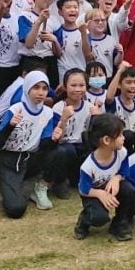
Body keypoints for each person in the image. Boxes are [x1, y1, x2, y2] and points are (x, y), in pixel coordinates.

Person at [0, 70, 64, 218]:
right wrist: (10, 125)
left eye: (44, 88)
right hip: (8, 161)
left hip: (29, 159)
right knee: (16, 209)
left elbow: (45, 146)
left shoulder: (48, 113)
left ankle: (37, 187)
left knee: (59, 152)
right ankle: (6, 179)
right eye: (36, 88)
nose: (41, 93)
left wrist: (53, 140)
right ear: (27, 88)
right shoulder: (15, 109)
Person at [75, 114, 135, 241]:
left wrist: (116, 178)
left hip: (112, 187)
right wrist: (100, 194)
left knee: (130, 191)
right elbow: (84, 189)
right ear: (106, 140)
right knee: (99, 218)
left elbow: (124, 171)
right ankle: (84, 221)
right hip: (93, 194)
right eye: (120, 135)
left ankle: (120, 223)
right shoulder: (88, 166)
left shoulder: (122, 153)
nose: (124, 138)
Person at [47, 69, 99, 200]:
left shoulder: (89, 107)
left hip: (82, 148)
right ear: (65, 86)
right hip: (65, 148)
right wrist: (63, 119)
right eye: (73, 85)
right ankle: (60, 182)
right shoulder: (58, 107)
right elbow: (56, 139)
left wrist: (97, 118)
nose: (78, 89)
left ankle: (80, 179)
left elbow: (94, 136)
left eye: (82, 85)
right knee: (66, 150)